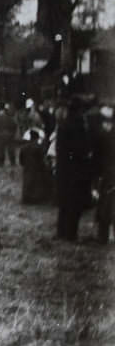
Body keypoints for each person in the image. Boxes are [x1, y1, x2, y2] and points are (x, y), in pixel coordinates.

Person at [52, 99, 96, 242]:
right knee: (75, 204)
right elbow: (80, 149)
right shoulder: (78, 126)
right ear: (79, 111)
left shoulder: (63, 126)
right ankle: (71, 234)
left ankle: (61, 232)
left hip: (63, 170)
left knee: (64, 203)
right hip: (76, 171)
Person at [93, 106, 114, 244]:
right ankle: (104, 235)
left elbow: (97, 158)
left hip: (108, 175)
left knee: (105, 205)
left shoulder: (102, 136)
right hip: (108, 174)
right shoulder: (104, 135)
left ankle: (103, 236)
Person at [18, 128, 54, 205]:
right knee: (37, 183)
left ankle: (27, 198)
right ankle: (37, 198)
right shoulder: (38, 147)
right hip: (37, 168)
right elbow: (42, 158)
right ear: (37, 138)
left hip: (27, 168)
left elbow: (21, 160)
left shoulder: (23, 147)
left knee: (27, 182)